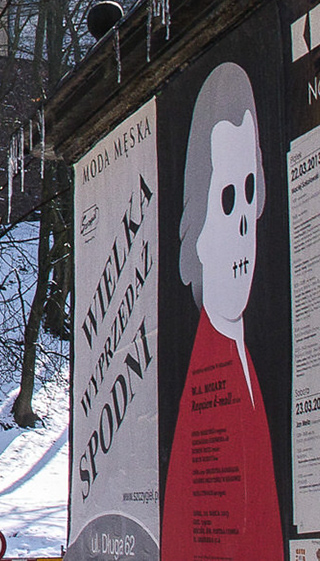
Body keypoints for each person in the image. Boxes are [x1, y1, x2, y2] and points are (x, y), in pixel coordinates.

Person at [161, 62, 281, 559]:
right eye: (226, 199)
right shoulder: (211, 377)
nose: (242, 233)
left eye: (249, 192)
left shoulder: (242, 361)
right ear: (195, 230)